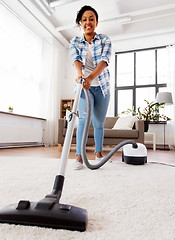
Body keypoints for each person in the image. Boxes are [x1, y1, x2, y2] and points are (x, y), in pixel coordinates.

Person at [69, 5, 112, 170]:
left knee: (99, 123)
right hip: (83, 88)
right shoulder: (75, 42)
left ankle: (99, 153)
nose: (88, 22)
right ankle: (79, 157)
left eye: (91, 19)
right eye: (85, 19)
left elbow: (104, 61)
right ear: (81, 22)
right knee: (82, 120)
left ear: (96, 22)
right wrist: (81, 75)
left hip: (101, 87)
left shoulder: (104, 40)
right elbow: (76, 60)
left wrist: (90, 78)